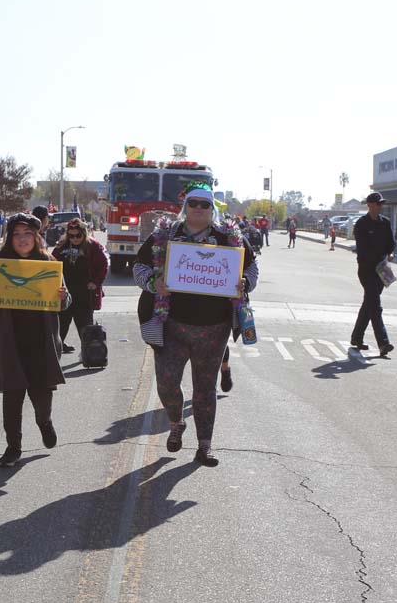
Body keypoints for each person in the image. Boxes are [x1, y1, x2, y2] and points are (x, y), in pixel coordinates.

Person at [134, 181, 259, 467]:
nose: (199, 209)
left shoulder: (229, 237)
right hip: (171, 325)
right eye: (194, 204)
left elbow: (251, 267)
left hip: (213, 328)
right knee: (167, 385)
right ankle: (176, 423)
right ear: (185, 207)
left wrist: (244, 283)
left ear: (212, 208)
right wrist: (155, 283)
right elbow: (139, 267)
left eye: (205, 204)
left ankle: (205, 446)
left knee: (205, 389)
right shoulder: (166, 235)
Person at [0, 213, 70, 467]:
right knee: (12, 400)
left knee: (41, 399)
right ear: (10, 238)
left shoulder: (48, 263)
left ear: (36, 236)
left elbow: (65, 302)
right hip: (10, 345)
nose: (22, 239)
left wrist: (63, 297)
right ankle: (13, 447)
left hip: (42, 345)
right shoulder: (1, 265)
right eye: (16, 234)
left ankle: (45, 423)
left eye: (27, 233)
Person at [52, 217, 109, 353]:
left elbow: (103, 266)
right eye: (71, 236)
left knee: (85, 325)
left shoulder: (93, 247)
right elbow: (52, 264)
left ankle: (90, 351)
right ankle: (56, 347)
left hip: (85, 293)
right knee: (61, 323)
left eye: (78, 235)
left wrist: (95, 282)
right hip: (65, 293)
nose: (75, 239)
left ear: (84, 233)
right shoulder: (61, 247)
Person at [350, 192, 397, 356]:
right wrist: (377, 257)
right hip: (367, 269)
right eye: (378, 203)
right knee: (375, 305)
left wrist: (390, 253)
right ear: (370, 205)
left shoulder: (385, 223)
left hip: (381, 269)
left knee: (369, 304)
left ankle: (356, 338)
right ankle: (383, 343)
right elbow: (362, 248)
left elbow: (391, 242)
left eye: (381, 203)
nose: (380, 206)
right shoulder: (362, 224)